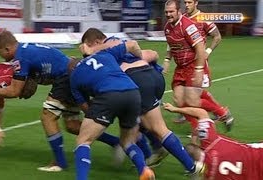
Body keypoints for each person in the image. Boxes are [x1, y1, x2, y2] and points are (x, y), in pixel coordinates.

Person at [0, 30, 123, 172]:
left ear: (7, 49)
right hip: (72, 73)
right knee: (73, 125)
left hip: (65, 78)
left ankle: (59, 162)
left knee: (48, 116)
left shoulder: (20, 57)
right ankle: (115, 142)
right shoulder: (25, 49)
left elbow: (14, 91)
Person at [80, 27, 203, 174]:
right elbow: (153, 54)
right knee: (138, 119)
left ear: (96, 41)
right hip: (152, 77)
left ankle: (191, 167)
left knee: (153, 128)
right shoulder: (118, 41)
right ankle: (154, 152)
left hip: (136, 80)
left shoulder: (104, 49)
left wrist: (92, 51)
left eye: (89, 45)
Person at [69, 41, 155, 180]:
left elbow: (86, 108)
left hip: (108, 95)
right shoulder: (104, 54)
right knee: (127, 142)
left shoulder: (74, 77)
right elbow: (132, 44)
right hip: (133, 93)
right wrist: (140, 57)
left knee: (83, 141)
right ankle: (143, 169)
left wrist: (103, 115)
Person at [162, 0, 233, 141]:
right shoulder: (169, 26)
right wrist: (166, 60)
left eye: (189, 2)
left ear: (196, 3)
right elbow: (171, 43)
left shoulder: (198, 20)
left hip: (196, 64)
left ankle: (219, 113)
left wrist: (206, 53)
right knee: (180, 100)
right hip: (181, 66)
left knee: (192, 100)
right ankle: (202, 122)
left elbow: (216, 37)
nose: (187, 4)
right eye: (185, 2)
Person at [163, 102, 263, 180]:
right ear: (198, 147)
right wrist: (175, 109)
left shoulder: (210, 176)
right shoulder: (210, 141)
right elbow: (201, 113)